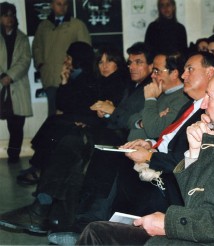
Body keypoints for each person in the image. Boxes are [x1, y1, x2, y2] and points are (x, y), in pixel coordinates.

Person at [76, 68, 214, 245]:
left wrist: (168, 224)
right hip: (191, 234)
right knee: (99, 231)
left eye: (209, 97)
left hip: (204, 240)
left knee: (98, 234)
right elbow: (195, 199)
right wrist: (195, 153)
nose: (203, 105)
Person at [0, 43, 129, 234]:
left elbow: (113, 115)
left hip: (110, 135)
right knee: (60, 128)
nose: (104, 66)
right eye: (101, 61)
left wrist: (93, 119)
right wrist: (63, 80)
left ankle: (41, 204)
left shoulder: (118, 82)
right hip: (97, 128)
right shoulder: (103, 81)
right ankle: (42, 202)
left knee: (64, 133)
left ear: (118, 63)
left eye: (109, 61)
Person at [32, 0, 91, 116]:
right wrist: (41, 65)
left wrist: (75, 70)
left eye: (65, 4)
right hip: (50, 77)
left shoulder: (77, 25)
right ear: (51, 5)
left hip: (71, 78)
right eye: (59, 4)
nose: (62, 7)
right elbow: (36, 47)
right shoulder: (43, 26)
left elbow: (85, 50)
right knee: (53, 113)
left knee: (71, 112)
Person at [0, 2, 33, 164]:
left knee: (17, 124)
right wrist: (2, 76)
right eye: (6, 15)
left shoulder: (22, 38)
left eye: (12, 15)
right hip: (1, 86)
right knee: (7, 121)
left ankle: (13, 157)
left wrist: (10, 76)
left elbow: (25, 60)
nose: (9, 18)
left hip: (17, 85)